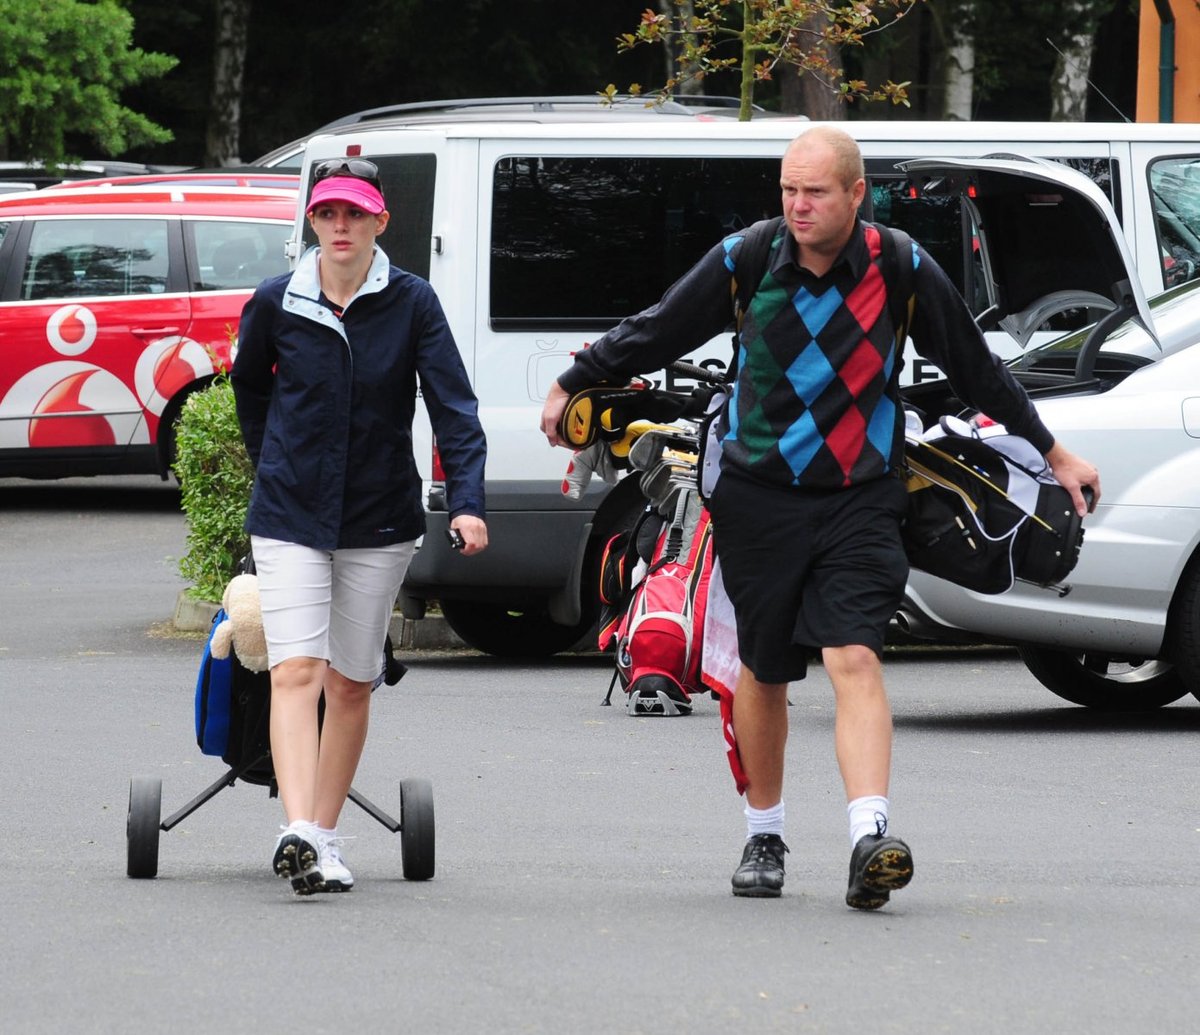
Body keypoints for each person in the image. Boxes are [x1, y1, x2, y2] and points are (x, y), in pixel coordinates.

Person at [540, 126, 1100, 909]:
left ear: (855, 194)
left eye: (816, 192)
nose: (799, 206)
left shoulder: (900, 265)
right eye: (789, 191)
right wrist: (575, 379)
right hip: (758, 497)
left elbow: (976, 368)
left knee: (854, 656)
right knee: (763, 672)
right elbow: (662, 326)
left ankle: (871, 834)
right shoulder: (746, 258)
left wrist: (1054, 452)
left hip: (861, 497)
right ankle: (762, 832)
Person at [233, 159, 488, 895]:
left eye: (355, 214)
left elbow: (454, 408)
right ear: (311, 221)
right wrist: (269, 460)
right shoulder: (277, 302)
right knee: (294, 671)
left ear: (381, 221)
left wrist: (466, 499)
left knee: (349, 683)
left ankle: (326, 831)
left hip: (379, 518)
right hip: (289, 514)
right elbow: (251, 386)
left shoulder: (412, 303)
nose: (339, 227)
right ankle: (303, 833)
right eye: (327, 214)